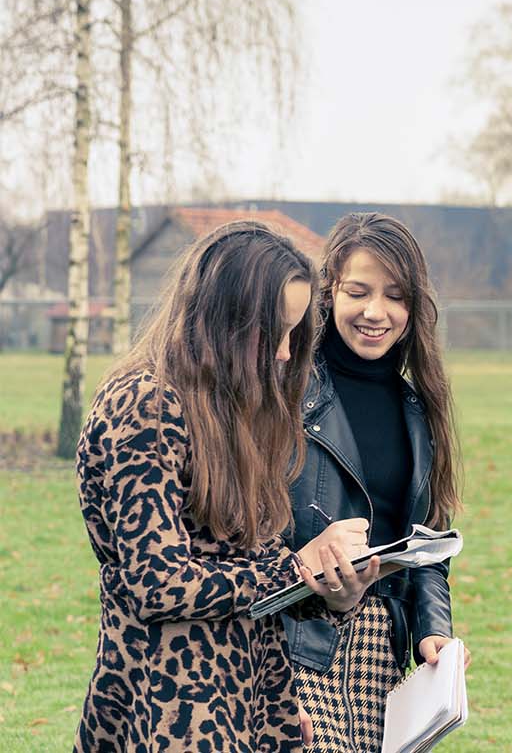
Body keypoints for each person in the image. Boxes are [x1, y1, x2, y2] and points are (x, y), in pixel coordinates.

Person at [75, 221, 380, 752]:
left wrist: (328, 590)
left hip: (252, 697)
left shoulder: (233, 406)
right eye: (275, 332)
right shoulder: (146, 404)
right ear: (227, 319)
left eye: (294, 334)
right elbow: (159, 583)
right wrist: (293, 568)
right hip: (169, 704)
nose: (286, 354)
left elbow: (244, 568)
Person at [284, 212, 466, 753]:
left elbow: (429, 542)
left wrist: (434, 630)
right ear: (329, 292)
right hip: (297, 632)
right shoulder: (286, 391)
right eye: (358, 292)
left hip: (379, 644)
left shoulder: (418, 407)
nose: (375, 312)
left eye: (394, 296)